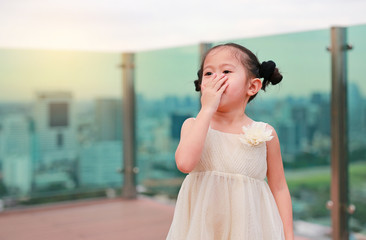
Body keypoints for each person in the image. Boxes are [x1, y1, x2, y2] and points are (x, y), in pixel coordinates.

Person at [166, 43, 294, 240]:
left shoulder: (265, 133)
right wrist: (207, 109)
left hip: (248, 230)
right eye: (208, 74)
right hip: (202, 229)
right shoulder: (193, 125)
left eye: (226, 71)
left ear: (252, 86)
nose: (216, 78)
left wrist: (288, 234)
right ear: (201, 85)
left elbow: (279, 187)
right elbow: (184, 164)